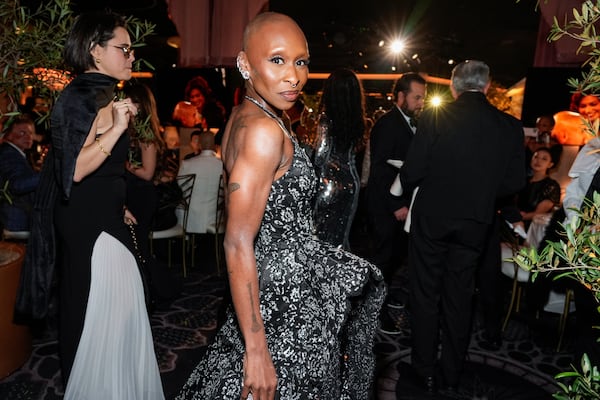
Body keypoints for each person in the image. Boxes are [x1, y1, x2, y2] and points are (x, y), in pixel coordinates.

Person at [176, 12, 385, 400]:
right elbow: (237, 241)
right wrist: (257, 352)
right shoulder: (262, 130)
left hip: (274, 286)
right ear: (244, 64)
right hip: (279, 300)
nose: (294, 76)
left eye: (301, 62)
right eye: (277, 60)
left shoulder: (246, 115)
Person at [14, 11, 164, 399]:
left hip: (100, 215)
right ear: (96, 51)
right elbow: (75, 169)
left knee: (112, 308)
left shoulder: (95, 92)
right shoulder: (85, 95)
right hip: (89, 222)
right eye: (123, 48)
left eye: (131, 49)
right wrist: (116, 128)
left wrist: (120, 205)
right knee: (106, 310)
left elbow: (100, 171)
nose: (131, 57)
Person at [398, 60, 525, 394]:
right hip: (476, 222)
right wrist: (480, 192)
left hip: (433, 217)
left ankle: (423, 369)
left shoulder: (435, 117)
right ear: (486, 87)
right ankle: (451, 374)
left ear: (454, 87)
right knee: (460, 296)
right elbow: (514, 181)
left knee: (426, 294)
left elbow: (412, 171)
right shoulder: (509, 127)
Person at [365, 72, 427, 332]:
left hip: (399, 205)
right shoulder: (388, 124)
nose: (421, 102)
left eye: (423, 97)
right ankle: (374, 314)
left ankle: (385, 299)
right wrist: (396, 205)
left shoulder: (410, 123)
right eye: (417, 97)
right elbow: (379, 171)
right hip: (385, 207)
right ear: (400, 96)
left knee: (392, 260)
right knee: (382, 261)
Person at [311, 68, 367, 250]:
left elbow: (320, 155)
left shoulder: (326, 120)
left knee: (321, 238)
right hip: (351, 182)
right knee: (342, 238)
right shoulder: (358, 120)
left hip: (328, 183)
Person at [178, 129, 223, 235]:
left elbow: (181, 189)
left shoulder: (187, 164)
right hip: (217, 218)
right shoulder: (222, 166)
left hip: (190, 219)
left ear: (200, 144)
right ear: (214, 145)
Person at [0, 114, 40, 232]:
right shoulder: (8, 153)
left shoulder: (15, 152)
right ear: (8, 134)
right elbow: (17, 184)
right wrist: (48, 174)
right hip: (16, 221)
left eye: (31, 133)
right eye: (22, 133)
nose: (29, 137)